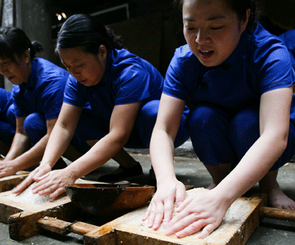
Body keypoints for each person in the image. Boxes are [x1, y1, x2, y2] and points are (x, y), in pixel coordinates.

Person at [143, 0, 295, 239]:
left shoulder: (271, 53)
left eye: (215, 28)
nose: (201, 40)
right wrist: (166, 182)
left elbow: (275, 136)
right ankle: (221, 180)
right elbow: (163, 129)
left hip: (257, 133)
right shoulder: (183, 61)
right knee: (202, 117)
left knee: (247, 122)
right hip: (218, 129)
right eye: (190, 28)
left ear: (244, 20)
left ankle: (269, 185)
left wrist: (221, 198)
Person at [13, 14, 189, 198]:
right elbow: (64, 126)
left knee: (151, 112)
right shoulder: (76, 79)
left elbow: (118, 135)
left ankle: (160, 169)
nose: (73, 72)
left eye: (79, 65)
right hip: (127, 130)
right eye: (68, 66)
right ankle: (129, 167)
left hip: (167, 128)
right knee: (78, 118)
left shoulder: (130, 71)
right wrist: (46, 164)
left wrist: (71, 172)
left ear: (102, 52)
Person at [0, 27, 72, 177]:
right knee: (18, 115)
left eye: (6, 63)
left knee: (32, 122)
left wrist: (15, 165)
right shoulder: (18, 83)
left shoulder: (51, 81)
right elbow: (21, 133)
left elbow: (56, 134)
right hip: (53, 138)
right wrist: (7, 164)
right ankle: (51, 164)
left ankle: (52, 163)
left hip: (79, 140)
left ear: (26, 56)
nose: (2, 70)